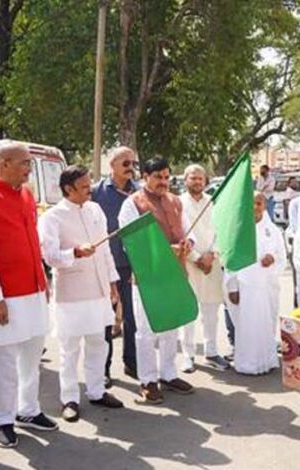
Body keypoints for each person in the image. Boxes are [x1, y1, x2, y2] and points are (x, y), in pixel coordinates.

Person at [0, 143, 58, 449]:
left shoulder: (28, 195)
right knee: (3, 360)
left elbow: (32, 240)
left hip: (33, 290)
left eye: (29, 163)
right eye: (24, 163)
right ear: (3, 164)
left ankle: (28, 410)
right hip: (3, 295)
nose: (28, 169)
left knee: (32, 354)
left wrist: (43, 282)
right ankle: (4, 418)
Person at [39, 166, 124, 423]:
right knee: (70, 348)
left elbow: (106, 250)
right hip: (72, 292)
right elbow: (50, 255)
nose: (90, 189)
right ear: (69, 188)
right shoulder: (52, 217)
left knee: (99, 342)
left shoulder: (94, 210)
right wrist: (74, 253)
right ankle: (70, 399)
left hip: (98, 289)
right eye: (85, 185)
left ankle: (97, 391)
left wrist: (112, 283)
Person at [118, 158, 195, 403]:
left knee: (172, 324)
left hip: (175, 273)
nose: (163, 182)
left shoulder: (175, 201)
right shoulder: (132, 204)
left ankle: (168, 374)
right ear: (145, 177)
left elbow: (185, 231)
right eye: (158, 177)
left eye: (166, 177)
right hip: (148, 277)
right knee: (146, 330)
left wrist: (187, 243)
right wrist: (165, 250)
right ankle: (148, 380)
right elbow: (131, 244)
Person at [92, 146, 140, 386]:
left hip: (131, 265)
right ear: (111, 166)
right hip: (104, 265)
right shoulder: (96, 193)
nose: (131, 167)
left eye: (133, 163)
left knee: (133, 317)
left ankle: (132, 363)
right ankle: (103, 370)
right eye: (125, 163)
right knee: (106, 319)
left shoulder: (139, 194)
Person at [225, 192, 285, 375]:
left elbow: (282, 256)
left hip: (267, 286)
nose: (255, 207)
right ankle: (247, 364)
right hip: (245, 286)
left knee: (266, 324)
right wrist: (233, 287)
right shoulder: (238, 230)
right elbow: (230, 261)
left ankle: (267, 361)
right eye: (252, 203)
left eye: (259, 203)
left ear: (265, 206)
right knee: (247, 326)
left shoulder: (273, 231)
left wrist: (272, 258)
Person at [179, 164, 231, 373]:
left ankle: (211, 352)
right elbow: (179, 233)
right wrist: (196, 258)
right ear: (185, 180)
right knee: (189, 311)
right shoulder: (179, 203)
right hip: (189, 262)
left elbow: (222, 231)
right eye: (193, 178)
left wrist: (212, 255)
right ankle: (188, 356)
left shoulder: (213, 202)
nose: (197, 182)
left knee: (211, 310)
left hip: (212, 263)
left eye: (201, 178)